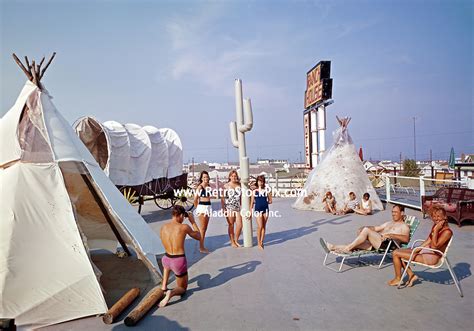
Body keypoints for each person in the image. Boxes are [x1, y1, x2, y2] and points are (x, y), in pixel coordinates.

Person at [388, 205, 452, 287]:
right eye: (434, 216)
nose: (436, 219)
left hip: (432, 257)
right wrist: (416, 249)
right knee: (400, 252)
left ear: (445, 216)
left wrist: (436, 230)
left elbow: (435, 246)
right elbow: (428, 240)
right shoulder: (436, 226)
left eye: (439, 216)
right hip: (426, 252)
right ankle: (411, 275)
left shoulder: (447, 232)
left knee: (396, 253)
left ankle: (398, 278)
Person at [321, 204, 410, 254]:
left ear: (402, 213)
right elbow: (376, 228)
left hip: (388, 245)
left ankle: (347, 249)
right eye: (392, 212)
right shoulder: (389, 223)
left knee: (366, 231)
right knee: (355, 243)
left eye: (395, 212)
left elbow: (406, 239)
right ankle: (332, 247)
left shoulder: (404, 226)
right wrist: (364, 227)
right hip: (377, 241)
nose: (393, 214)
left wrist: (391, 235)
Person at [159, 205, 201, 307]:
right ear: (181, 215)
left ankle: (164, 286)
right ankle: (171, 293)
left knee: (167, 265)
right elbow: (199, 236)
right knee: (182, 288)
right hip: (178, 261)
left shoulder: (163, 227)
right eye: (183, 217)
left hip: (166, 258)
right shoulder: (183, 227)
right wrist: (192, 221)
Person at [220, 170, 243, 248]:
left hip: (237, 207)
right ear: (229, 177)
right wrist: (223, 208)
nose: (234, 177)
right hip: (229, 207)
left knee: (240, 225)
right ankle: (232, 241)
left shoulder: (239, 185)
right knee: (231, 225)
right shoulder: (226, 186)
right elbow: (222, 198)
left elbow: (241, 197)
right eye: (232, 176)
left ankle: (236, 240)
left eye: (235, 176)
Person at [250, 175, 272, 250]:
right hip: (258, 209)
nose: (261, 183)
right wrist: (249, 211)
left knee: (264, 226)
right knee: (260, 226)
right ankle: (259, 242)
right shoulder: (254, 191)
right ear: (257, 181)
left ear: (263, 182)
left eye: (262, 181)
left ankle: (262, 241)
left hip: (265, 209)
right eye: (259, 181)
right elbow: (252, 202)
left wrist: (265, 202)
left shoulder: (266, 190)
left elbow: (270, 200)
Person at [193, 171, 212, 253]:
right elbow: (195, 199)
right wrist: (198, 208)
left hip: (208, 207)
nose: (206, 178)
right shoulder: (200, 187)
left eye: (207, 177)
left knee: (205, 228)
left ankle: (202, 245)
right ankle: (201, 247)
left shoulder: (209, 186)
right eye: (204, 177)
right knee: (202, 229)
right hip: (202, 207)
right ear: (201, 178)